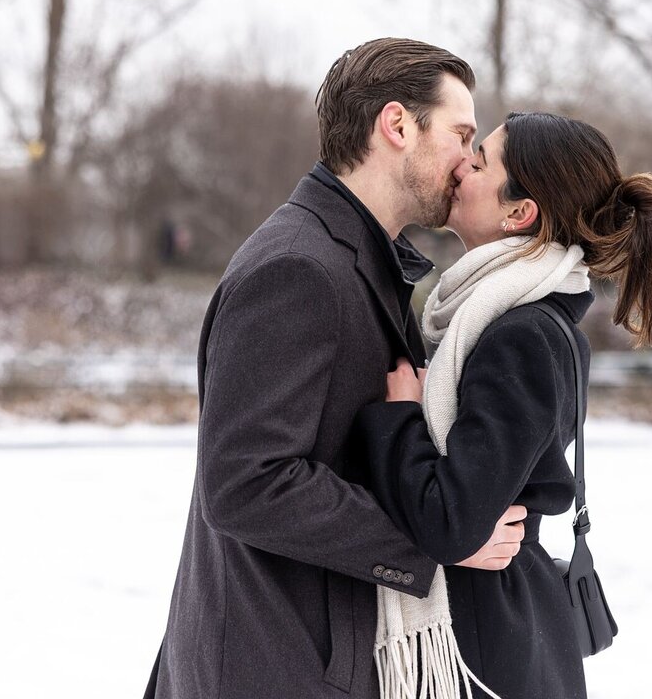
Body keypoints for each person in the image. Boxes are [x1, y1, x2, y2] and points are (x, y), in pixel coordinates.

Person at [144, 39, 529, 699]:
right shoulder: (297, 267)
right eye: (461, 135)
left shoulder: (357, 260)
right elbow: (245, 482)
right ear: (398, 125)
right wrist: (437, 537)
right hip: (271, 668)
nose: (469, 161)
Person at [354, 111, 652, 698]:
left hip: (484, 646)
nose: (462, 166)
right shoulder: (503, 316)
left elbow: (453, 521)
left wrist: (400, 417)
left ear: (519, 213)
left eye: (479, 161)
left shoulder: (522, 335)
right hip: (499, 628)